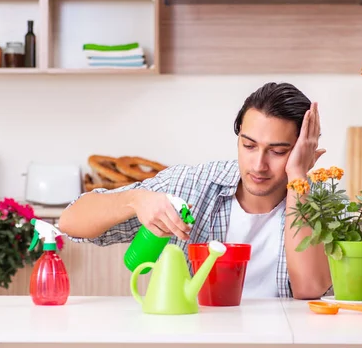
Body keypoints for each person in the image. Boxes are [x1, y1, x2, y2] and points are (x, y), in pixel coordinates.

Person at [59, 82, 332, 299]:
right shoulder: (191, 185)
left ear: (301, 149)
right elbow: (70, 222)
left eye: (278, 151)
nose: (259, 164)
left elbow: (309, 289)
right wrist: (135, 200)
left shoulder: (318, 203)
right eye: (249, 146)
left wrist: (297, 176)